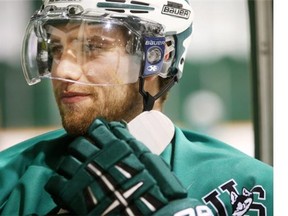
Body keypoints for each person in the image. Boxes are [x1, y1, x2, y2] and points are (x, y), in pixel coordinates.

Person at [0, 0, 273, 215]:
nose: (63, 69)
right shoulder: (9, 175)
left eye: (93, 46)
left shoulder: (249, 188)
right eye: (57, 48)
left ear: (158, 57)